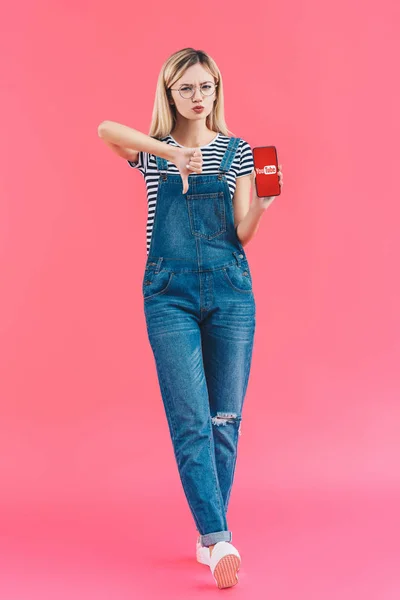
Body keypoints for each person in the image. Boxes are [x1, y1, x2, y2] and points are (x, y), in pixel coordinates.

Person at [98, 47, 283, 590]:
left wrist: (264, 208)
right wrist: (168, 152)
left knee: (224, 421)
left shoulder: (239, 151)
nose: (198, 97)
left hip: (231, 290)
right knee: (189, 420)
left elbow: (242, 231)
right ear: (170, 93)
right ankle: (219, 537)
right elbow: (105, 129)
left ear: (216, 91)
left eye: (206, 87)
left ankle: (211, 538)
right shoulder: (154, 153)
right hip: (168, 293)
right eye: (186, 88)